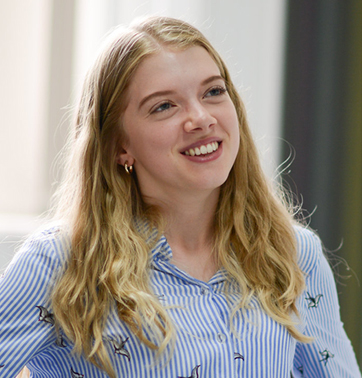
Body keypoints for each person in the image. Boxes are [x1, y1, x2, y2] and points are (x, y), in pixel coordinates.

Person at [0, 16, 360, 378]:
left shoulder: (294, 254)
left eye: (213, 92)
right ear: (118, 146)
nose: (201, 118)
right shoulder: (59, 263)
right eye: (164, 106)